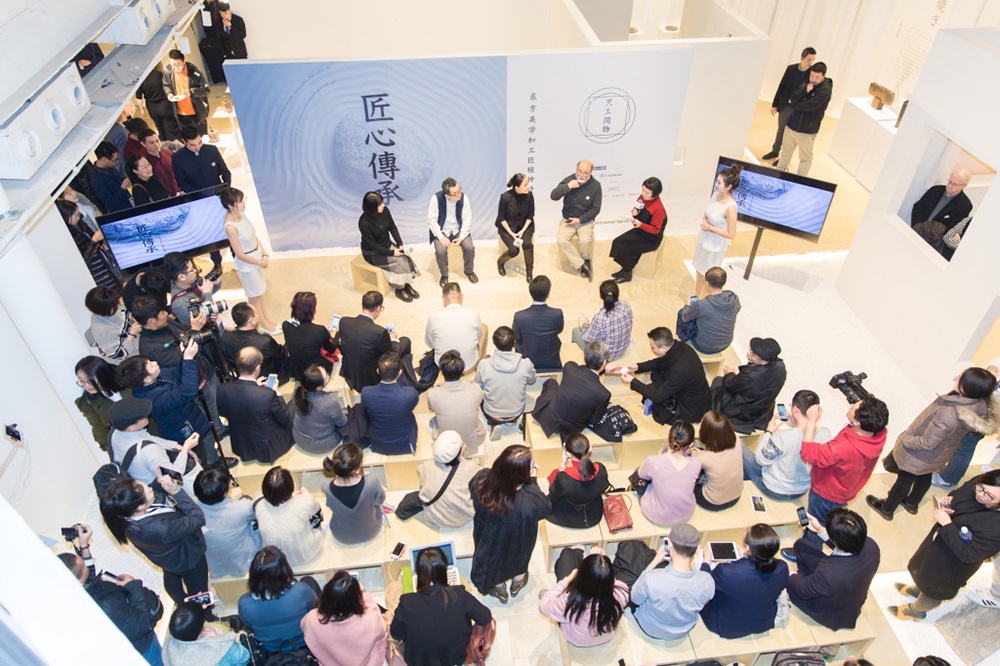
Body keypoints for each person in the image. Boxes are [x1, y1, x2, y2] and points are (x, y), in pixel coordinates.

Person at [868, 367, 994, 521]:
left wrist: (906, 440)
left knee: (905, 478)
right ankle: (912, 503)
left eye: (959, 378)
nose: (955, 378)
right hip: (940, 454)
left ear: (968, 388)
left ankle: (887, 508)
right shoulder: (980, 405)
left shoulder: (949, 414)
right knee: (924, 475)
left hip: (921, 454)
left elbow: (928, 443)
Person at [892, 470, 1000, 621]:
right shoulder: (983, 482)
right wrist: (950, 500)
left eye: (990, 496)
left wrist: (947, 524)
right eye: (980, 488)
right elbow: (960, 492)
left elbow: (970, 554)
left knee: (934, 590)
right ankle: (917, 590)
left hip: (954, 564)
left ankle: (915, 611)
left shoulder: (996, 527)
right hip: (940, 544)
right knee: (925, 569)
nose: (981, 495)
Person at [789, 396, 889, 552]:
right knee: (826, 520)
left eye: (853, 407)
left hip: (826, 493)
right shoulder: (878, 434)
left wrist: (811, 422)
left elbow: (808, 454)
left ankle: (806, 552)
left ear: (858, 423)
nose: (851, 405)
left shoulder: (843, 448)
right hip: (847, 489)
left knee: (815, 525)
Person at [58, 524, 165, 665]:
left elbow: (86, 578)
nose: (85, 563)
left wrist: (84, 546)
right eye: (83, 564)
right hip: (142, 650)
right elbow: (140, 624)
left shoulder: (63, 593)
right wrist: (134, 587)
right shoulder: (106, 605)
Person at [99, 476, 209, 606]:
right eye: (148, 490)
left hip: (168, 558)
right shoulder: (159, 528)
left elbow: (150, 490)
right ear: (140, 506)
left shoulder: (125, 517)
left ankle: (181, 603)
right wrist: (177, 492)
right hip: (189, 560)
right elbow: (198, 519)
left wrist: (160, 480)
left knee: (172, 583)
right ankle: (201, 612)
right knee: (199, 594)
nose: (151, 488)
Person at [470, 444, 551, 602]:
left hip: (487, 537)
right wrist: (533, 482)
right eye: (532, 467)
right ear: (521, 476)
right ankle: (518, 582)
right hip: (519, 539)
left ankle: (499, 588)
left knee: (492, 562)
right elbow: (546, 509)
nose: (535, 467)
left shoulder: (481, 479)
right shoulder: (529, 501)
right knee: (519, 558)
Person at [390, 546, 493, 665]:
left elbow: (395, 634)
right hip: (456, 657)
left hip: (420, 661)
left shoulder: (407, 602)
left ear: (418, 572)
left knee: (392, 591)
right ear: (444, 571)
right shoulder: (460, 595)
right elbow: (485, 616)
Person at [119, 347, 220, 468]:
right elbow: (187, 392)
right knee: (200, 459)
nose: (155, 363)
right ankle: (210, 468)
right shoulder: (150, 400)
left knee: (207, 444)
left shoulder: (158, 376)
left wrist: (184, 357)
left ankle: (214, 461)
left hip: (194, 419)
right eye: (151, 365)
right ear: (147, 379)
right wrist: (188, 359)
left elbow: (178, 372)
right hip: (181, 434)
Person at [787, 509, 880, 630]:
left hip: (830, 612)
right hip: (847, 593)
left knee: (791, 585)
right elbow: (847, 546)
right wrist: (820, 530)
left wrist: (790, 572)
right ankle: (813, 582)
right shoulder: (871, 545)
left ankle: (810, 582)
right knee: (801, 545)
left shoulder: (829, 573)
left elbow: (803, 590)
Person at [699, 523, 790, 638]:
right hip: (761, 623)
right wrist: (745, 558)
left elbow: (704, 586)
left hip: (724, 625)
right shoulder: (782, 568)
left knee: (700, 569)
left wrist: (706, 563)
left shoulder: (726, 571)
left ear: (748, 548)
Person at [630, 523, 715, 640]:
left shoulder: (651, 578)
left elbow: (635, 599)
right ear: (697, 549)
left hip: (650, 627)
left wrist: (653, 563)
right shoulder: (708, 582)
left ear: (669, 543)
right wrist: (706, 563)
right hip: (683, 631)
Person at [612, 326, 712, 426]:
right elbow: (660, 362)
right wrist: (638, 367)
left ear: (664, 348)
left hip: (690, 407)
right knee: (656, 374)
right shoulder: (679, 347)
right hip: (689, 388)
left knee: (656, 399)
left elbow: (658, 396)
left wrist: (632, 381)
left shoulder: (680, 371)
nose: (651, 350)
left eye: (653, 347)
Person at [744, 390, 830, 501]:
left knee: (739, 448)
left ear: (795, 409)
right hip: (800, 491)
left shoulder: (782, 436)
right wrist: (795, 424)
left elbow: (760, 460)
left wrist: (768, 432)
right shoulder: (826, 434)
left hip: (773, 489)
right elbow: (801, 437)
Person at [107, 397, 201, 494]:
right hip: (161, 488)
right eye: (143, 417)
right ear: (132, 427)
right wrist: (186, 449)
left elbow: (149, 438)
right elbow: (173, 476)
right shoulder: (150, 450)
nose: (147, 415)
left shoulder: (115, 432)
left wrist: (177, 446)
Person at [237, 546, 321, 653]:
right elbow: (314, 610)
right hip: (304, 642)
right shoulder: (301, 591)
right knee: (308, 580)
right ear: (284, 571)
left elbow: (249, 625)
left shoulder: (244, 603)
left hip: (271, 649)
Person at [539, 547, 629, 647]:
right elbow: (609, 582)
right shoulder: (622, 591)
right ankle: (579, 552)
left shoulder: (569, 601)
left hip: (577, 640)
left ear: (580, 577)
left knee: (566, 554)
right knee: (571, 555)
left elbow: (543, 606)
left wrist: (568, 579)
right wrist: (602, 567)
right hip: (606, 636)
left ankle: (578, 552)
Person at [217, 347, 294, 464]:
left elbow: (224, 412)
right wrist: (276, 392)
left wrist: (255, 386)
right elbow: (284, 418)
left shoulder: (222, 389)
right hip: (269, 445)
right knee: (294, 403)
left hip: (242, 443)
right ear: (257, 367)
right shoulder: (268, 394)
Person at [221, 187, 279, 333]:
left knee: (260, 292)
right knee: (254, 297)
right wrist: (260, 262)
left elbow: (253, 235)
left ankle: (266, 320)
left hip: (256, 256)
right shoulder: (230, 227)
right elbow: (239, 254)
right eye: (240, 201)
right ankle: (261, 325)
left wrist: (264, 253)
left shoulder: (241, 214)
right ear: (230, 205)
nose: (244, 203)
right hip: (247, 265)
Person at [300, 570, 388, 666]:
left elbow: (303, 627)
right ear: (356, 599)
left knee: (307, 580)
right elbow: (383, 628)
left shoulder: (312, 619)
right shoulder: (370, 619)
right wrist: (364, 593)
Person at [936, 357, 1000, 488]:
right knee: (962, 441)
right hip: (983, 400)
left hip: (989, 411)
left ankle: (947, 478)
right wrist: (992, 370)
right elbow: (995, 364)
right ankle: (947, 472)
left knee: (966, 444)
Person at [334, 290, 411, 392]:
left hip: (350, 372)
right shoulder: (379, 332)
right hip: (372, 377)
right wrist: (394, 340)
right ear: (378, 308)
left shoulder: (344, 321)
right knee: (405, 341)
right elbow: (392, 355)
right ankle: (405, 376)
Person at [532, 342, 612, 440]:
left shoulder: (569, 367)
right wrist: (603, 370)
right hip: (572, 430)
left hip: (549, 417)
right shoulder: (603, 394)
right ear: (604, 363)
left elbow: (581, 368)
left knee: (551, 382)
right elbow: (593, 420)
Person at [193, 466, 261, 578]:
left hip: (215, 567)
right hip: (241, 564)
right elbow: (260, 508)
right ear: (225, 492)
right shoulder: (242, 508)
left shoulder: (194, 508)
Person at [711, 336, 787, 434]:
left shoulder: (751, 375)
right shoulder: (781, 366)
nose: (749, 353)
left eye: (754, 354)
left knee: (718, 381)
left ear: (764, 362)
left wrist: (730, 374)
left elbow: (730, 385)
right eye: (751, 349)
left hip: (743, 411)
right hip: (763, 409)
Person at [254, 467, 324, 567]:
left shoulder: (258, 505)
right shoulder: (305, 501)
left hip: (275, 560)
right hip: (307, 553)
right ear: (291, 486)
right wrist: (306, 494)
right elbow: (318, 518)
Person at [475, 325, 537, 439]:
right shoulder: (526, 364)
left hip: (491, 414)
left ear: (494, 343)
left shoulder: (484, 365)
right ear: (514, 343)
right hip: (516, 413)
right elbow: (532, 380)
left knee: (480, 397)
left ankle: (494, 424)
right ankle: (511, 422)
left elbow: (478, 385)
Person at [636, 421, 702, 526]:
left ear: (668, 434)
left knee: (640, 479)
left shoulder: (653, 461)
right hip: (685, 515)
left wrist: (659, 458)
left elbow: (641, 474)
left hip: (656, 515)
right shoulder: (696, 463)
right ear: (691, 444)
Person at [358, 190, 420, 302]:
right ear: (372, 207)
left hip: (386, 244)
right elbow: (373, 245)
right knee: (399, 262)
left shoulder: (385, 211)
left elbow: (392, 227)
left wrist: (400, 244)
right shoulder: (363, 222)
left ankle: (406, 284)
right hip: (372, 253)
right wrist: (392, 252)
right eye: (380, 204)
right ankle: (399, 289)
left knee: (405, 257)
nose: (383, 205)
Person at [775, 62, 832, 176]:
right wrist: (804, 91)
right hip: (791, 125)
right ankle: (777, 175)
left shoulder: (825, 90)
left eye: (817, 77)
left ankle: (801, 180)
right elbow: (792, 98)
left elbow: (810, 106)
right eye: (812, 76)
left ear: (824, 75)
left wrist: (795, 104)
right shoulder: (806, 83)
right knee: (785, 153)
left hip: (807, 131)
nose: (813, 79)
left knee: (805, 158)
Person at [322, 442, 386, 545]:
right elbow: (379, 501)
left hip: (341, 536)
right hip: (370, 532)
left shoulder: (326, 486)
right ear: (358, 466)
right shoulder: (371, 480)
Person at [762, 47, 817, 163]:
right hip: (786, 105)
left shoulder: (812, 74)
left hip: (798, 108)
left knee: (790, 135)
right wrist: (775, 104)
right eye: (809, 59)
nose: (811, 62)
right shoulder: (791, 69)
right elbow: (782, 86)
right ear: (802, 58)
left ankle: (783, 158)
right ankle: (775, 150)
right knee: (781, 129)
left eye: (813, 60)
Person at [693, 165, 740, 299]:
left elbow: (731, 234)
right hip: (705, 238)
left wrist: (710, 227)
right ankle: (697, 298)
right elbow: (708, 211)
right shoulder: (715, 194)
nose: (716, 185)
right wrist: (704, 221)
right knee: (699, 269)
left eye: (719, 183)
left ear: (729, 186)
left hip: (715, 245)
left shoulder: (731, 208)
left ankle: (704, 301)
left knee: (708, 275)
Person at [416, 431, 481, 529]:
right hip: (462, 518)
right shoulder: (472, 468)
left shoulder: (426, 466)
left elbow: (419, 469)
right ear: (459, 452)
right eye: (463, 445)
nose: (465, 446)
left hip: (434, 518)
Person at [427, 350, 487, 456]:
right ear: (463, 370)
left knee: (433, 422)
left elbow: (432, 408)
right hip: (471, 442)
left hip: (446, 443)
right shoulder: (475, 389)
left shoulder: (433, 394)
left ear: (441, 373)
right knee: (479, 419)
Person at [551, 160, 603, 281]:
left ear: (590, 173)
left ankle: (587, 259)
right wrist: (568, 186)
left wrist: (580, 220)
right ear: (576, 169)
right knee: (561, 241)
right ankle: (582, 265)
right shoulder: (569, 180)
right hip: (568, 219)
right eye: (579, 171)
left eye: (585, 173)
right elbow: (554, 196)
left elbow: (596, 209)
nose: (581, 175)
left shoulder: (596, 186)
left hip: (585, 221)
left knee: (585, 241)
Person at [609, 177, 667, 283]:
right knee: (617, 242)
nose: (643, 194)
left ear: (655, 193)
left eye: (647, 193)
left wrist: (641, 225)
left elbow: (655, 230)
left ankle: (627, 273)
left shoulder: (658, 208)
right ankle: (624, 268)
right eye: (643, 190)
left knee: (625, 248)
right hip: (641, 231)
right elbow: (638, 208)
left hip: (651, 238)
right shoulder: (643, 197)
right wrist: (634, 213)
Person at [360, 352, 419, 455]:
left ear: (378, 371)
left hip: (377, 444)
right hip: (405, 444)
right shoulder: (410, 394)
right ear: (400, 372)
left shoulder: (366, 392)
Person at [546, 434, 608, 528]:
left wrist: (562, 466)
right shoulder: (601, 469)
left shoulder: (563, 477)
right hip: (593, 513)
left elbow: (553, 489)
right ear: (590, 448)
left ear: (567, 453)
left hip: (568, 513)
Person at [56, 199, 120, 290]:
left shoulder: (80, 224)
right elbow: (83, 259)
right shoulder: (67, 237)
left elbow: (93, 238)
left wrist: (98, 238)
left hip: (105, 264)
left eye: (78, 214)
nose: (79, 217)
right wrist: (94, 240)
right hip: (97, 273)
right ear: (66, 217)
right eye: (75, 215)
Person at [676, 266, 741, 354]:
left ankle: (682, 337)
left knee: (682, 313)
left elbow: (685, 317)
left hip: (704, 346)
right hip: (725, 344)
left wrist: (687, 305)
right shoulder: (734, 299)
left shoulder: (702, 305)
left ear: (706, 283)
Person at [163, 602, 249, 666]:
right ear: (203, 625)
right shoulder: (220, 649)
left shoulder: (168, 647)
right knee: (222, 628)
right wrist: (222, 638)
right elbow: (244, 657)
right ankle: (231, 623)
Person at [425, 282, 488, 369]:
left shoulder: (433, 318)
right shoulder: (474, 315)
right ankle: (481, 363)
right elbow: (478, 337)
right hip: (469, 365)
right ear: (461, 296)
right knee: (484, 327)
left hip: (444, 367)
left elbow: (430, 344)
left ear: (443, 299)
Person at [428, 177, 477, 285]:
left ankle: (469, 271)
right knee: (441, 252)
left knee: (469, 248)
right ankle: (444, 275)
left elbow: (467, 219)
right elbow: (432, 221)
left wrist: (461, 237)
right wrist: (441, 237)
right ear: (447, 196)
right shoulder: (436, 199)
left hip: (458, 230)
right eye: (455, 193)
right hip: (442, 230)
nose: (459, 194)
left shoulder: (464, 198)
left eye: (459, 190)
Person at [222, 302, 286, 382]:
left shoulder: (225, 338)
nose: (258, 315)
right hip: (264, 377)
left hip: (240, 375)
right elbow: (280, 353)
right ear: (251, 320)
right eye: (257, 313)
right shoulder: (265, 341)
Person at [291, 364, 348, 454]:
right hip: (321, 444)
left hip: (299, 439)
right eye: (326, 376)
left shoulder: (297, 393)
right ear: (318, 388)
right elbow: (342, 422)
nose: (328, 375)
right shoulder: (330, 402)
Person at [512, 275, 564, 372]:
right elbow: (559, 329)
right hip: (552, 360)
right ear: (548, 294)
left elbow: (516, 336)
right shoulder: (557, 314)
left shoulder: (519, 317)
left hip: (527, 361)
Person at [910, 168, 975, 247]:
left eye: (955, 184)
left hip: (932, 243)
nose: (950, 186)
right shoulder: (935, 190)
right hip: (915, 231)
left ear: (964, 186)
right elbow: (918, 207)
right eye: (950, 181)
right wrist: (917, 227)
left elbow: (951, 229)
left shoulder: (964, 206)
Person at [75, 355, 129, 448]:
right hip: (130, 441)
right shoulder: (87, 403)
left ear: (102, 374)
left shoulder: (126, 378)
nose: (87, 386)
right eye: (82, 381)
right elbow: (100, 430)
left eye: (90, 380)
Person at [572, 280, 633, 361]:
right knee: (585, 325)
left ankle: (581, 355)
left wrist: (590, 328)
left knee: (576, 331)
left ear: (600, 296)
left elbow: (588, 338)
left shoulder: (600, 318)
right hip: (623, 348)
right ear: (618, 293)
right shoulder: (626, 305)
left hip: (605, 356)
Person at [693, 412, 743, 511]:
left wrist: (692, 450)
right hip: (736, 496)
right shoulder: (737, 439)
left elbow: (692, 458)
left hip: (712, 502)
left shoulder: (704, 458)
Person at [282, 291, 338, 379]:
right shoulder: (320, 330)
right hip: (315, 370)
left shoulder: (285, 325)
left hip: (296, 368)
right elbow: (331, 350)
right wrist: (335, 335)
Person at [85, 287, 140, 365]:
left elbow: (125, 313)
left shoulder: (110, 306)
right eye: (113, 306)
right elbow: (119, 354)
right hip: (128, 360)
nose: (117, 306)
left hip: (137, 342)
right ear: (103, 309)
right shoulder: (102, 331)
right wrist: (132, 334)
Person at [496, 173, 535, 280]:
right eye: (525, 185)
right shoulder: (505, 197)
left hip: (525, 226)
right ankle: (500, 262)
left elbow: (530, 215)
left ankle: (529, 271)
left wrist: (522, 231)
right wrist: (511, 233)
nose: (528, 187)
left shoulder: (529, 196)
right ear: (516, 187)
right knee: (514, 250)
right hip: (507, 228)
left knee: (527, 244)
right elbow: (501, 218)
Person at [163, 50, 210, 135]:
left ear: (184, 61)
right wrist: (169, 93)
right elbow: (166, 85)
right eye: (173, 65)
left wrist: (191, 92)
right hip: (180, 113)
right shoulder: (168, 71)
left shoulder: (194, 72)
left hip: (196, 112)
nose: (176, 67)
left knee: (202, 136)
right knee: (187, 137)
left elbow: (206, 90)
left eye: (179, 65)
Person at [136, 65, 180, 141]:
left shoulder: (140, 79)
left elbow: (139, 97)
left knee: (160, 129)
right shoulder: (159, 74)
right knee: (172, 129)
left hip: (152, 108)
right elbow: (169, 87)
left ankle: (164, 144)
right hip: (165, 105)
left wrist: (142, 109)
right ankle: (176, 145)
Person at [90, 140, 132, 213]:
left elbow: (118, 180)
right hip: (122, 211)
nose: (117, 162)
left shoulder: (109, 167)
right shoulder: (97, 179)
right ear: (104, 160)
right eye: (115, 160)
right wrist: (123, 188)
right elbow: (111, 204)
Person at [136, 129, 180, 196]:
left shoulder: (167, 152)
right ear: (143, 144)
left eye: (157, 140)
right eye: (151, 143)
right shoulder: (145, 162)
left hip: (181, 192)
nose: (156, 145)